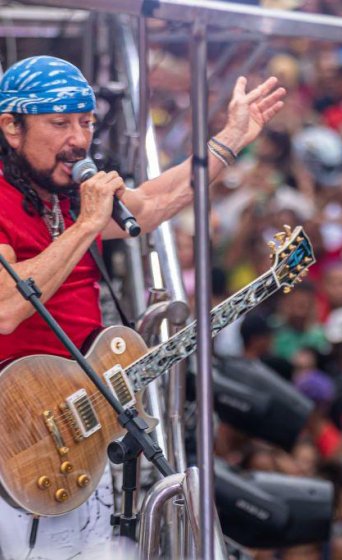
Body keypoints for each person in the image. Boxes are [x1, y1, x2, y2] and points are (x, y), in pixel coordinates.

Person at [0, 55, 285, 559]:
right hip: (16, 437)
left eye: (86, 122)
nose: (79, 139)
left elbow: (152, 204)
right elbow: (4, 307)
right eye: (60, 123)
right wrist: (87, 225)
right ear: (12, 127)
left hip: (76, 428)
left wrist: (233, 138)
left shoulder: (64, 192)